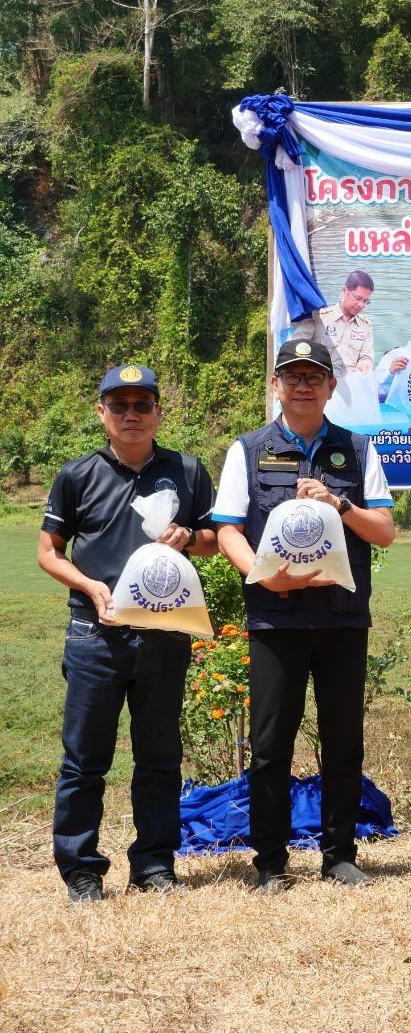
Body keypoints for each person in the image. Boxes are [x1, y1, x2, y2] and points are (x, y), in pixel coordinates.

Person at [212, 340, 397, 890]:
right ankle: (270, 860)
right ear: (276, 385)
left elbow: (383, 532)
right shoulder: (247, 449)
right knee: (271, 742)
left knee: (344, 739)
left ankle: (340, 854)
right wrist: (260, 574)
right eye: (291, 376)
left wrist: (338, 504)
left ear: (330, 387)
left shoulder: (359, 451)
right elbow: (227, 528)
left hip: (341, 617)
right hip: (276, 616)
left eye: (313, 376)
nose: (302, 385)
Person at [39, 365, 217, 902]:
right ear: (102, 413)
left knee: (160, 755)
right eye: (120, 406)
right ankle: (82, 870)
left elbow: (213, 539)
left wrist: (190, 537)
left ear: (159, 413)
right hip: (97, 634)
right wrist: (93, 588)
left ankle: (155, 864)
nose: (132, 415)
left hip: (165, 633)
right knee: (84, 758)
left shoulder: (186, 470)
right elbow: (49, 552)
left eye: (143, 405)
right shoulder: (77, 475)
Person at [290, 270, 376, 379]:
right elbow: (295, 349)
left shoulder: (365, 326)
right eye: (358, 298)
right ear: (345, 291)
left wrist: (365, 365)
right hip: (319, 386)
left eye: (366, 301)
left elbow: (366, 357)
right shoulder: (319, 318)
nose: (361, 305)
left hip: (351, 388)